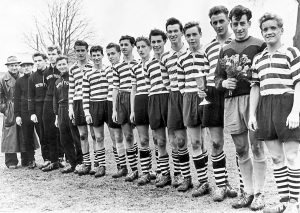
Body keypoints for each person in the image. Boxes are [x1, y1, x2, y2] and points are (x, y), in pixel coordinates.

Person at [215, 5, 267, 210]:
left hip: (254, 100)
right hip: (232, 102)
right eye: (235, 24)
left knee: (256, 147)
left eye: (242, 23)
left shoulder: (259, 45)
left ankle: (260, 194)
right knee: (241, 149)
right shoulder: (225, 49)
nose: (238, 28)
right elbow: (217, 78)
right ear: (231, 24)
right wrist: (223, 84)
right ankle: (248, 191)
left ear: (249, 23)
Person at [249, 13, 300, 213]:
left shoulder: (291, 52)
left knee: (293, 156)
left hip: (287, 104)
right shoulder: (258, 58)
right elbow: (255, 87)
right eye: (265, 30)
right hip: (265, 107)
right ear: (262, 33)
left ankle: (295, 204)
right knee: (277, 159)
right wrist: (252, 114)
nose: (269, 32)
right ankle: (284, 201)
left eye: (273, 28)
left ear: (281, 30)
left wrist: (296, 111)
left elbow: (298, 83)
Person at [203, 5, 238, 202]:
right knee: (216, 142)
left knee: (239, 144)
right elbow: (205, 73)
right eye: (215, 23)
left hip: (234, 95)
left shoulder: (237, 42)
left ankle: (243, 187)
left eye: (221, 21)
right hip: (213, 94)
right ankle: (221, 185)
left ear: (229, 21)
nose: (218, 25)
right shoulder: (208, 47)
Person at [177, 21, 210, 196]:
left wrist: (205, 93)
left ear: (200, 34)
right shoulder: (181, 59)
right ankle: (203, 181)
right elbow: (180, 84)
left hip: (206, 99)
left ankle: (220, 181)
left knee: (209, 142)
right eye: (188, 35)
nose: (191, 38)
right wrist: (189, 96)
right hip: (189, 99)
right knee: (195, 142)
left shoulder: (207, 55)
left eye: (194, 34)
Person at [160, 17, 189, 189]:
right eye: (169, 32)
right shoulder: (165, 57)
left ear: (182, 33)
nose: (172, 35)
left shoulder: (189, 52)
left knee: (197, 140)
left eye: (175, 31)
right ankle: (185, 177)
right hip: (175, 96)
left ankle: (207, 180)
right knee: (179, 140)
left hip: (191, 96)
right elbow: (166, 81)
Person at [145, 29, 170, 188]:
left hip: (169, 98)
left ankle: (181, 174)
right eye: (153, 42)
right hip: (154, 99)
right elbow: (149, 87)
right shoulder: (148, 64)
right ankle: (165, 173)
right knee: (159, 140)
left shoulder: (170, 59)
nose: (155, 45)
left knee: (176, 140)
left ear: (164, 42)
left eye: (158, 41)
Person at [112, 35, 139, 182]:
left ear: (132, 46)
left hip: (137, 98)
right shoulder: (117, 67)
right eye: (121, 44)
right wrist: (114, 110)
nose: (123, 47)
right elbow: (115, 89)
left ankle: (151, 170)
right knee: (128, 136)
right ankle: (133, 169)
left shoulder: (139, 63)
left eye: (126, 44)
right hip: (122, 99)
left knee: (144, 137)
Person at [68, 40, 95, 175]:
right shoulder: (72, 68)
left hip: (92, 101)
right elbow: (71, 89)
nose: (80, 53)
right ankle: (86, 164)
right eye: (77, 51)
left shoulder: (93, 65)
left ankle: (98, 164)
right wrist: (70, 108)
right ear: (75, 51)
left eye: (82, 50)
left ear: (86, 51)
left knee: (95, 134)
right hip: (78, 102)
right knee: (83, 135)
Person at [82, 45, 109, 178]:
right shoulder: (87, 74)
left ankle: (122, 166)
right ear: (91, 58)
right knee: (98, 137)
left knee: (116, 137)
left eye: (99, 55)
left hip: (108, 104)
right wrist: (87, 112)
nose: (96, 58)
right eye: (94, 56)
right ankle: (101, 166)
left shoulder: (109, 70)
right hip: (95, 105)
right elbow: (85, 95)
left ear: (102, 56)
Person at [53, 56, 82, 173]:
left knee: (76, 136)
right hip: (61, 110)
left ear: (68, 63)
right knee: (64, 138)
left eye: (64, 64)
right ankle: (72, 163)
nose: (62, 66)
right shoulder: (57, 81)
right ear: (56, 66)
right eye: (59, 65)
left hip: (72, 107)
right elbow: (55, 99)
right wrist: (56, 116)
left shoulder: (73, 77)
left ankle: (81, 162)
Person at [130, 37, 152, 185]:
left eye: (143, 46)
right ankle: (146, 172)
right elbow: (133, 90)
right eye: (138, 47)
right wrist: (132, 111)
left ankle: (163, 172)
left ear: (149, 47)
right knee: (143, 140)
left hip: (154, 100)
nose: (141, 49)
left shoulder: (156, 63)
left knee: (159, 139)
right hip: (140, 101)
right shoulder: (135, 67)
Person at [28, 52, 53, 170]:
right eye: (35, 61)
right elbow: (30, 96)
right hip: (38, 108)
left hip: (51, 106)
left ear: (45, 60)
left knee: (54, 132)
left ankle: (59, 158)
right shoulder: (32, 77)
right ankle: (47, 159)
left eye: (39, 60)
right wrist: (32, 113)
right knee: (42, 133)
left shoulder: (51, 73)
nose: (37, 63)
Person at [105, 43, 125, 178]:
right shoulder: (107, 70)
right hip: (111, 104)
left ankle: (138, 167)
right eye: (108, 54)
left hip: (124, 103)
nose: (111, 56)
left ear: (119, 53)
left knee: (130, 136)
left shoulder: (125, 68)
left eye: (113, 53)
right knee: (116, 137)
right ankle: (121, 166)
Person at [42, 46, 64, 171]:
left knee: (61, 130)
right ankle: (53, 160)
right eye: (49, 54)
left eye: (53, 54)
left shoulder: (62, 68)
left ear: (58, 54)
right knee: (49, 131)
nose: (51, 56)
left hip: (61, 101)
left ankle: (62, 158)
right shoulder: (46, 72)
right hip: (48, 101)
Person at [0, 56, 23, 168]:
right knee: (9, 136)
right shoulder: (2, 79)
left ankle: (27, 158)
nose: (14, 67)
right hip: (10, 109)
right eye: (12, 65)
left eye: (16, 65)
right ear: (8, 66)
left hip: (23, 107)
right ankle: (11, 161)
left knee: (25, 132)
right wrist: (5, 110)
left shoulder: (23, 76)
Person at [14, 60, 38, 169]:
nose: (26, 68)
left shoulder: (37, 77)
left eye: (28, 66)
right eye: (24, 66)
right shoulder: (19, 81)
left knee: (43, 134)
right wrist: (17, 115)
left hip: (38, 110)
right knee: (27, 137)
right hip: (24, 112)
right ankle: (31, 160)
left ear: (32, 66)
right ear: (21, 68)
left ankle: (50, 159)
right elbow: (17, 99)